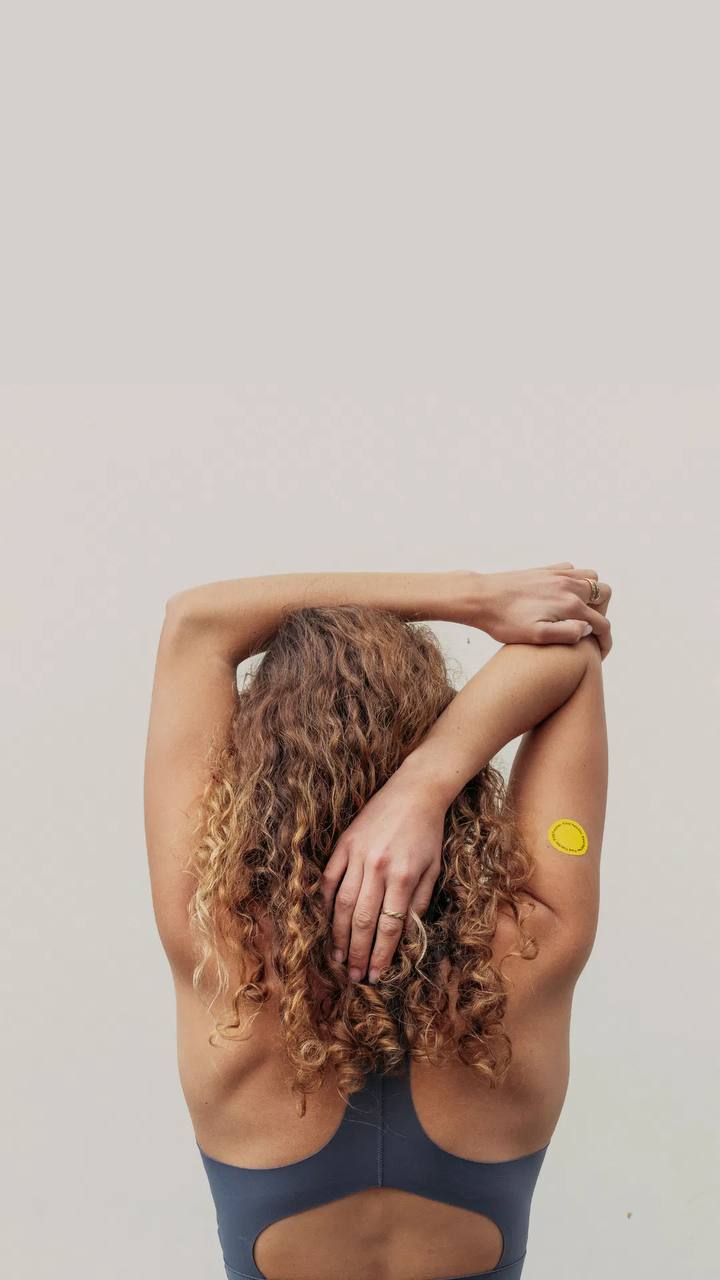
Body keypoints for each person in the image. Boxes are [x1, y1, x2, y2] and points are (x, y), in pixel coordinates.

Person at [144, 565, 611, 1280]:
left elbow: (197, 623)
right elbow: (572, 651)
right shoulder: (537, 941)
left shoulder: (217, 942)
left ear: (261, 762)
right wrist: (426, 782)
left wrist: (476, 599)